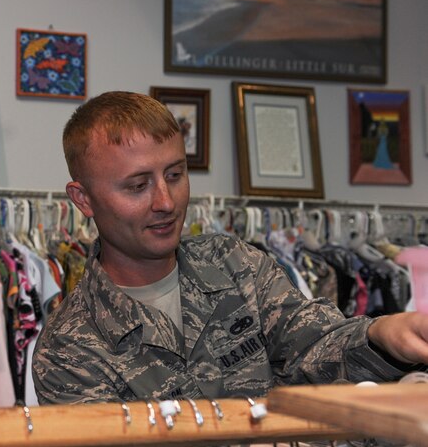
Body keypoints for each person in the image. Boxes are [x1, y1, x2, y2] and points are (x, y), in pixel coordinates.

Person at [33, 91, 428, 405]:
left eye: (175, 175)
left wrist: (383, 335)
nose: (166, 201)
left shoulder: (236, 265)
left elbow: (313, 350)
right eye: (137, 186)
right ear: (83, 199)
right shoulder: (69, 347)